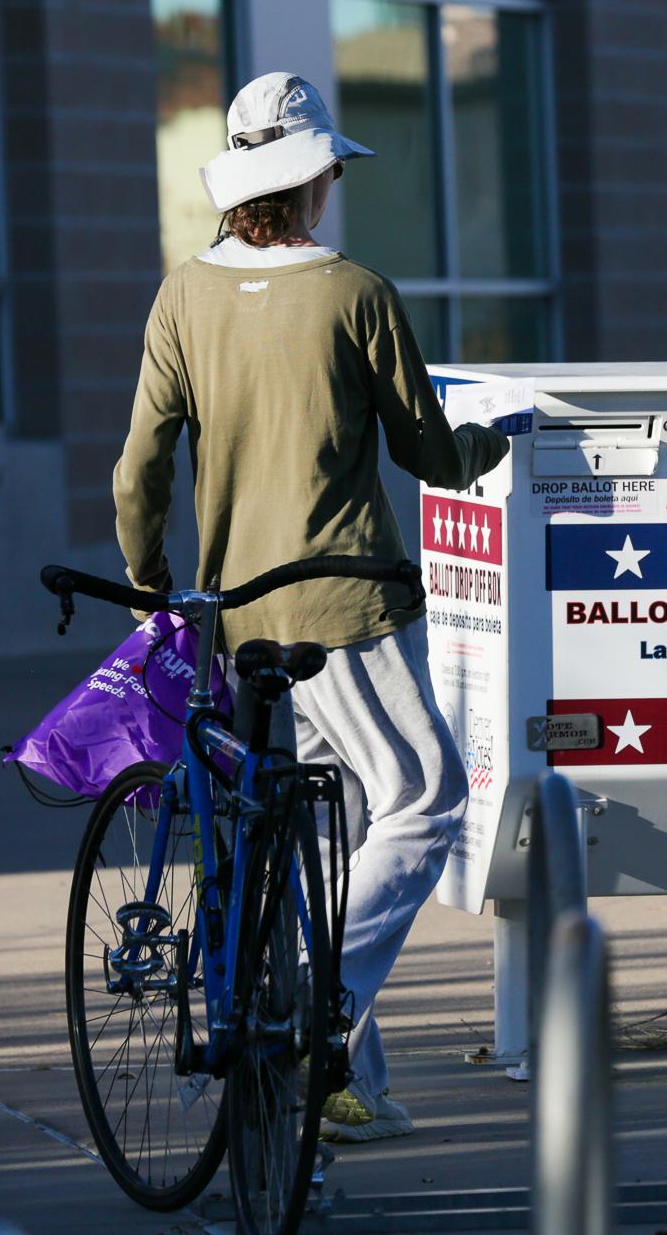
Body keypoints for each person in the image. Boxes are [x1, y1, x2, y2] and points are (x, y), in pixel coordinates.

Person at [112, 71, 509, 1143]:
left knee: (306, 826)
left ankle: (349, 1084)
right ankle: (314, 1011)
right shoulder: (356, 294)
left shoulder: (182, 296)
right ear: (314, 181)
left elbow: (137, 470)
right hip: (349, 602)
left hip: (235, 612)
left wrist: (154, 584)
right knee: (422, 798)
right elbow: (428, 452)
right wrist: (495, 438)